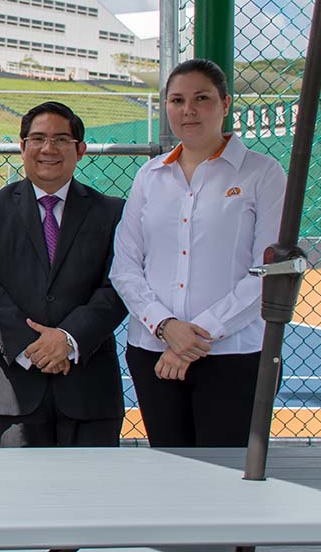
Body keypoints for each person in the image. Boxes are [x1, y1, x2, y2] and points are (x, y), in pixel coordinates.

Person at [111, 59, 286, 447]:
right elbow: (125, 267)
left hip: (234, 356)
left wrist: (195, 339)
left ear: (225, 104)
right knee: (172, 475)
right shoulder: (149, 176)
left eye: (201, 98)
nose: (188, 110)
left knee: (226, 477)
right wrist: (165, 327)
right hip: (153, 353)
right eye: (177, 100)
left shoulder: (262, 173)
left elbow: (267, 273)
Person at [0, 101, 128, 447]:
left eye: (61, 139)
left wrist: (67, 340)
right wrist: (32, 348)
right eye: (37, 138)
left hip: (89, 383)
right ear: (22, 146)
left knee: (93, 495)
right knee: (20, 497)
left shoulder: (112, 212)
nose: (48, 148)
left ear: (80, 149)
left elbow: (118, 286)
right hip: (16, 384)